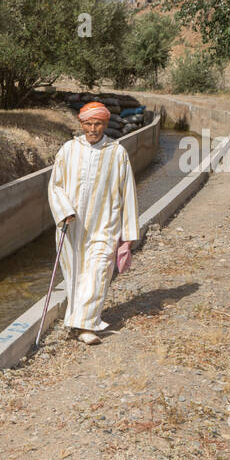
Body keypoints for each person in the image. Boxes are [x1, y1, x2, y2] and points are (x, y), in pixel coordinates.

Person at [46, 101, 139, 345]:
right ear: (81, 124)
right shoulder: (68, 150)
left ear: (105, 125)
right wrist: (64, 211)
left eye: (98, 124)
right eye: (88, 124)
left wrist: (127, 236)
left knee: (98, 271)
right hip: (72, 225)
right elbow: (55, 186)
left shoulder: (117, 153)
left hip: (105, 225)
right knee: (76, 273)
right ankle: (79, 319)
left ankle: (85, 326)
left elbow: (127, 192)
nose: (93, 129)